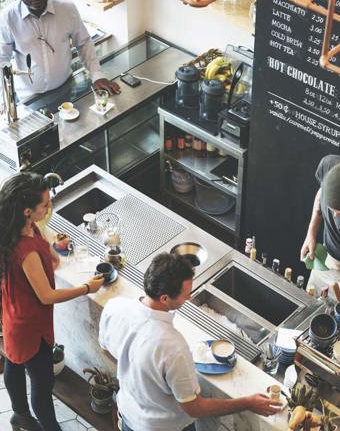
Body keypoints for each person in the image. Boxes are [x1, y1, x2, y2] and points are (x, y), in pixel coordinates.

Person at [99, 253, 282, 431]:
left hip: (127, 417)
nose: (189, 298)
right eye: (186, 294)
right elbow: (194, 408)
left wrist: (137, 374)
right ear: (164, 298)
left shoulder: (115, 307)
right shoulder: (173, 346)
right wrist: (247, 403)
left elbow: (105, 349)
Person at [0, 172, 105, 431]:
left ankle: (19, 415)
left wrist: (51, 250)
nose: (50, 208)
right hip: (30, 327)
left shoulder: (17, 228)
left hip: (14, 316)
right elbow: (46, 295)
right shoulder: (26, 252)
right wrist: (86, 288)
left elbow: (39, 241)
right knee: (43, 385)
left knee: (13, 361)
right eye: (45, 205)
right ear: (27, 210)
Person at [0, 0, 121, 101]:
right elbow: (2, 59)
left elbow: (83, 42)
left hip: (65, 89)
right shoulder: (7, 17)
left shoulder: (67, 8)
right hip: (28, 98)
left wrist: (96, 75)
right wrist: (2, 100)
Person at [301, 154, 340, 294]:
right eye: (332, 209)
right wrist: (311, 232)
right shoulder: (329, 165)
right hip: (325, 261)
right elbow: (321, 193)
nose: (335, 216)